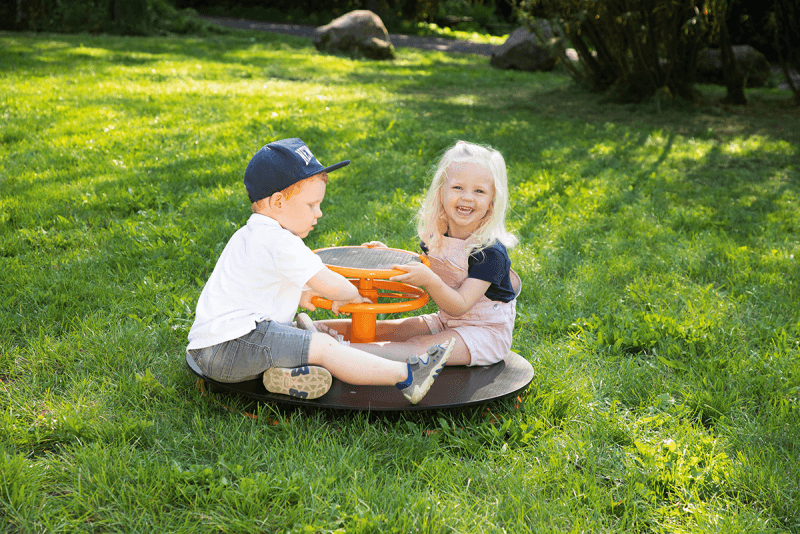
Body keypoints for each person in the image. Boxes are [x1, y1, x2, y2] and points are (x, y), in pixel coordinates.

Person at [186, 138, 452, 404]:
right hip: (234, 348)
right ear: (278, 202)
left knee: (303, 335)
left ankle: (286, 374)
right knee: (325, 347)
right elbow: (332, 284)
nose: (320, 213)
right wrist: (352, 294)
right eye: (311, 205)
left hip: (213, 350)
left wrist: (306, 296)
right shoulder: (281, 242)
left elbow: (271, 288)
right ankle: (407, 376)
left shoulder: (250, 234)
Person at [312, 140, 521, 367]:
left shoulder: (490, 253)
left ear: (492, 201)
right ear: (441, 192)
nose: (467, 197)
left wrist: (430, 281)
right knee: (392, 329)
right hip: (447, 322)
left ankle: (338, 353)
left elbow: (460, 305)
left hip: (485, 334)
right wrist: (388, 258)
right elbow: (423, 267)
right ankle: (309, 333)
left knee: (420, 347)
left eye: (479, 191)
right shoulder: (438, 236)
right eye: (458, 187)